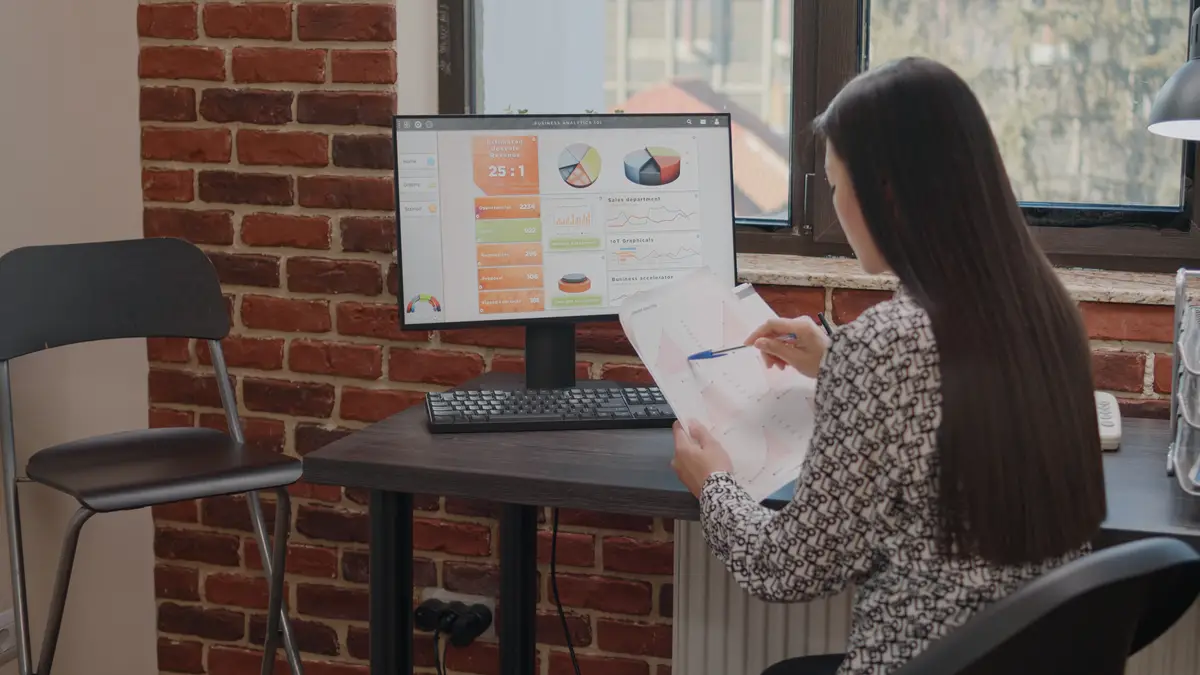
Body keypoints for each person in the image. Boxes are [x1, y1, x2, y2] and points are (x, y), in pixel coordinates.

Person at [670, 57, 1107, 675]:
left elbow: (787, 566)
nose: (836, 204)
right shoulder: (1044, 309)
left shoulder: (888, 345)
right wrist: (833, 360)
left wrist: (712, 483)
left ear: (887, 194)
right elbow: (944, 394)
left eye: (835, 185)